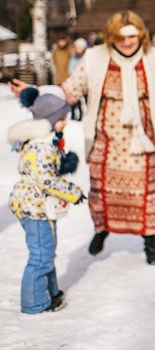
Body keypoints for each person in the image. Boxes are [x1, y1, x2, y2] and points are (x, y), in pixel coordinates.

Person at [9, 10, 155, 264]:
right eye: (120, 36)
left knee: (147, 193)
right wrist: (35, 95)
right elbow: (69, 91)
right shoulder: (95, 58)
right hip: (106, 138)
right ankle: (102, 230)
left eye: (132, 36)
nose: (127, 42)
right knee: (104, 191)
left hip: (145, 139)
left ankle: (149, 241)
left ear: (141, 35)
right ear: (111, 37)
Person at [8, 89, 85, 314]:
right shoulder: (41, 146)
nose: (66, 122)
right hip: (35, 208)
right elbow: (47, 180)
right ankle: (34, 303)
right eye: (62, 119)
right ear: (49, 120)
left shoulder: (45, 141)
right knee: (41, 256)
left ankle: (50, 293)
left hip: (39, 206)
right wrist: (73, 192)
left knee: (47, 251)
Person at [67, 38, 88, 121]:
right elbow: (71, 68)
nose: (78, 49)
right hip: (77, 82)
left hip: (87, 82)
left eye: (80, 47)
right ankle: (76, 114)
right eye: (77, 47)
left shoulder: (88, 57)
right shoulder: (74, 57)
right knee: (76, 99)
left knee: (87, 100)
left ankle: (89, 114)